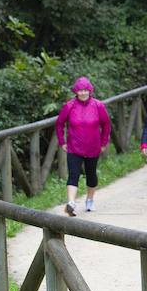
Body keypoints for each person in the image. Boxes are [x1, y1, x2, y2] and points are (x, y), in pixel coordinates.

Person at [55, 76, 111, 216]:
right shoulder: (69, 105)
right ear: (76, 92)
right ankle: (71, 203)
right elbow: (59, 123)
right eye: (80, 91)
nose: (83, 93)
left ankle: (90, 200)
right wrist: (62, 142)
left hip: (93, 147)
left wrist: (104, 143)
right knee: (73, 174)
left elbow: (106, 125)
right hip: (74, 147)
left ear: (90, 90)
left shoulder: (98, 105)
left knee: (91, 175)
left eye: (85, 90)